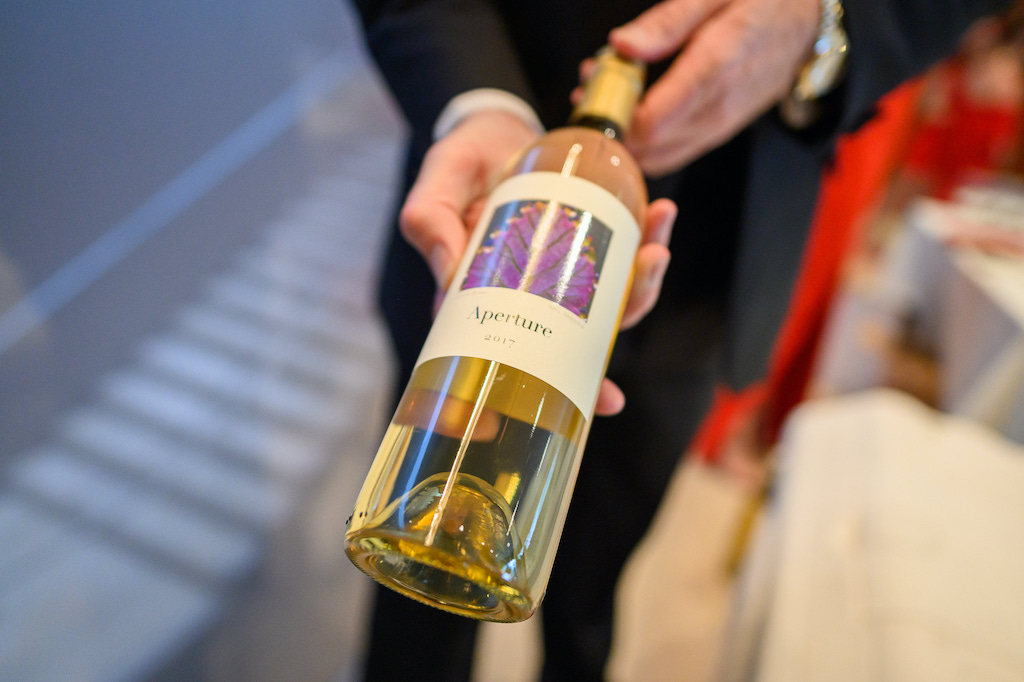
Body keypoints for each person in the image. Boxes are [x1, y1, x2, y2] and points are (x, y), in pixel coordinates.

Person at [350, 0, 1012, 679]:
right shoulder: (545, 155)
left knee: (591, 595)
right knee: (417, 607)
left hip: (709, 258)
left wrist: (822, 21)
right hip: (485, 212)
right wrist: (480, 106)